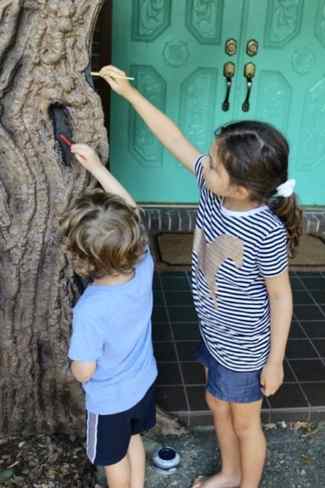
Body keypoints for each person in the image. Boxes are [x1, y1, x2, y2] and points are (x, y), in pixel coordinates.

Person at [98, 65, 303, 488]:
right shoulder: (214, 190)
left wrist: (275, 361)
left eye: (213, 165)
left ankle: (245, 484)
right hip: (215, 333)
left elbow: (280, 297)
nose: (203, 166)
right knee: (215, 399)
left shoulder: (266, 231)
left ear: (242, 189)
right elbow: (173, 139)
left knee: (246, 422)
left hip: (246, 349)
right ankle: (229, 473)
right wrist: (130, 96)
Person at [60, 143, 158, 488]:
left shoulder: (90, 309)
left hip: (110, 400)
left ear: (82, 259)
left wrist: (75, 369)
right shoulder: (144, 265)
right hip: (143, 382)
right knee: (134, 439)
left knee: (113, 459)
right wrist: (98, 170)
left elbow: (84, 368)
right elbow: (131, 210)